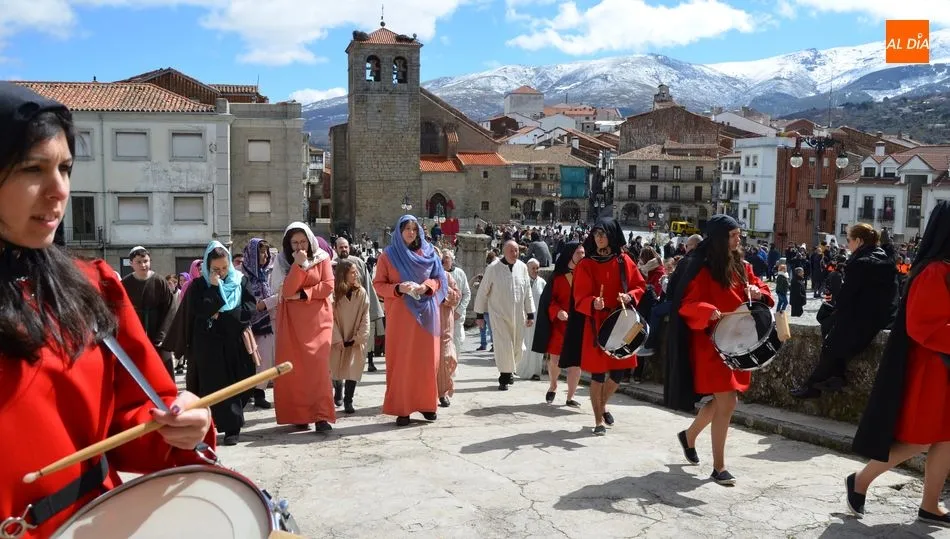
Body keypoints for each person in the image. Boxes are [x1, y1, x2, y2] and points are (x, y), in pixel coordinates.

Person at [0, 82, 213, 538]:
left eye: (66, 167)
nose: (59, 191)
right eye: (33, 169)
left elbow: (135, 413)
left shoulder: (92, 286)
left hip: (98, 525)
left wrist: (181, 424)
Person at [848, 201, 950, 526]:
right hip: (933, 369)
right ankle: (861, 481)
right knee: (920, 439)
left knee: (947, 437)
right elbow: (924, 326)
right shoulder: (935, 271)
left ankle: (930, 505)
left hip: (943, 367)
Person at [664, 215, 773, 485]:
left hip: (738, 343)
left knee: (719, 402)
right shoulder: (700, 269)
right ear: (719, 239)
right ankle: (719, 467)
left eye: (738, 235)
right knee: (728, 401)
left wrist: (758, 292)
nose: (739, 239)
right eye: (734, 235)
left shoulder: (741, 264)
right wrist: (706, 310)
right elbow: (686, 305)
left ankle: (689, 437)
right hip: (711, 346)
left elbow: (760, 286)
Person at [791, 223, 899, 398]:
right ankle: (832, 377)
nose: (848, 244)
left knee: (831, 338)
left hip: (868, 317)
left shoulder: (861, 263)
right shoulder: (885, 259)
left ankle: (814, 384)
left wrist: (837, 310)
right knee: (833, 329)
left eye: (849, 240)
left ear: (859, 241)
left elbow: (846, 296)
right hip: (886, 314)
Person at [177, 241, 257, 446]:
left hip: (234, 340)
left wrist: (223, 316)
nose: (221, 273)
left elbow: (249, 307)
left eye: (224, 268)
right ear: (207, 266)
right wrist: (213, 288)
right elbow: (200, 310)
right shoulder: (198, 285)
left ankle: (233, 425)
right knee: (211, 385)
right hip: (207, 344)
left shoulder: (240, 281)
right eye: (215, 269)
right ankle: (215, 427)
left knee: (238, 381)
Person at [574, 218, 647, 435]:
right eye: (596, 234)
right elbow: (579, 296)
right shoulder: (586, 264)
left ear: (612, 236)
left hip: (622, 321)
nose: (598, 238)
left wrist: (630, 295)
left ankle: (602, 405)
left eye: (602, 234)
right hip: (597, 324)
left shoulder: (624, 261)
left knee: (618, 373)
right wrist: (592, 302)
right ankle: (598, 420)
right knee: (597, 374)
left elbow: (639, 286)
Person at [373, 215, 447, 426]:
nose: (411, 233)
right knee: (402, 362)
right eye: (407, 228)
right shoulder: (387, 256)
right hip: (401, 315)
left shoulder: (429, 253)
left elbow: (439, 279)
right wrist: (398, 288)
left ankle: (427, 405)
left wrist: (427, 286)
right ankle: (402, 409)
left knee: (426, 361)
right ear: (399, 231)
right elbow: (378, 284)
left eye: (415, 229)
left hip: (426, 313)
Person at [272, 222, 335, 432]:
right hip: (291, 323)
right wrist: (298, 266)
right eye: (294, 243)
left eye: (302, 242)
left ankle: (322, 415)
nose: (299, 246)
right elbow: (286, 290)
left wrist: (303, 294)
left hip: (318, 320)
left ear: (310, 241)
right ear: (288, 245)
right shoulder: (281, 263)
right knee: (295, 369)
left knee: (318, 369)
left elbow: (328, 286)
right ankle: (299, 415)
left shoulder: (322, 258)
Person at [473, 240, 536, 391]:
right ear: (504, 251)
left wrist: (530, 314)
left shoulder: (522, 267)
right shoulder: (493, 268)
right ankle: (504, 376)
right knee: (504, 346)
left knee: (517, 347)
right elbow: (483, 292)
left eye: (516, 251)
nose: (515, 254)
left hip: (518, 315)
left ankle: (510, 370)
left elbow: (527, 292)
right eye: (511, 251)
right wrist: (480, 315)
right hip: (499, 314)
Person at [532, 241, 584, 406]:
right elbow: (549, 301)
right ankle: (553, 385)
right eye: (579, 253)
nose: (582, 256)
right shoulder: (557, 277)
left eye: (583, 253)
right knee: (555, 360)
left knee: (576, 363)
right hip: (560, 326)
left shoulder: (587, 275)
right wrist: (557, 312)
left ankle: (570, 396)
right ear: (570, 254)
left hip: (579, 325)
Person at [122, 246, 175, 378]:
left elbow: (170, 308)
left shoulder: (159, 281)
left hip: (157, 331)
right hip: (136, 332)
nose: (143, 265)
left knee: (162, 367)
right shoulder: (125, 283)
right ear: (131, 263)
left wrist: (162, 335)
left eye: (146, 261)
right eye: (139, 262)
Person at [334, 236, 384, 373]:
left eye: (345, 247)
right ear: (335, 248)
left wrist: (370, 307)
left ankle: (369, 361)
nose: (343, 249)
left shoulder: (358, 263)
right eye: (340, 247)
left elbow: (367, 284)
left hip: (359, 305)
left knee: (364, 335)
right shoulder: (332, 265)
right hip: (341, 309)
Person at [330, 259, 370, 414]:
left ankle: (349, 400)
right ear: (343, 274)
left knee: (353, 368)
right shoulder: (333, 294)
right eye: (352, 272)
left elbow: (365, 316)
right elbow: (329, 317)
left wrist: (359, 337)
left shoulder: (361, 293)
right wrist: (336, 337)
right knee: (336, 366)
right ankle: (338, 388)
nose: (356, 275)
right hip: (339, 335)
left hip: (354, 336)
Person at [242, 238, 275, 409]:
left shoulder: (267, 273)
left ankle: (259, 393)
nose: (265, 255)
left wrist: (267, 303)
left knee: (265, 360)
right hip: (247, 325)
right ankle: (247, 393)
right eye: (261, 252)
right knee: (249, 360)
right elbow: (250, 302)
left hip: (266, 323)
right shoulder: (242, 276)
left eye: (266, 252)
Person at [516, 259, 547, 381]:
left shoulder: (542, 283)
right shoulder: (522, 282)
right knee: (524, 344)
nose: (536, 270)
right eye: (533, 268)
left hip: (538, 320)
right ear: (527, 269)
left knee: (536, 346)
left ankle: (535, 372)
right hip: (524, 319)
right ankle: (520, 370)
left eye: (537, 268)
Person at [441, 250, 471, 358]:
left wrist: (459, 311)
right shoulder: (437, 274)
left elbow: (467, 293)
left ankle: (454, 362)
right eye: (442, 258)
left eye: (447, 257)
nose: (444, 260)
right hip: (443, 314)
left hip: (457, 315)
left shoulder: (460, 273)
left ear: (452, 259)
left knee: (458, 340)